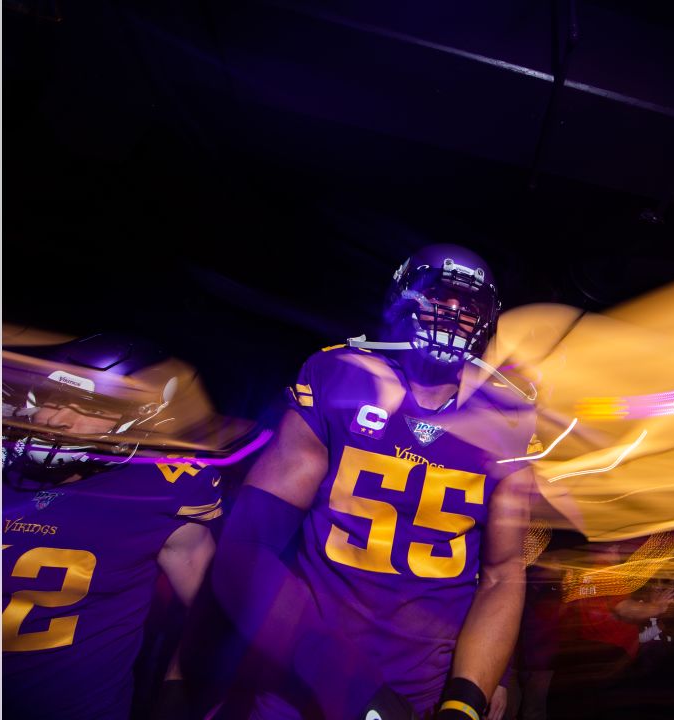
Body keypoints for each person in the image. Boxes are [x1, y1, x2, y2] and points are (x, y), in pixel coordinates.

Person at [213, 244, 539, 720]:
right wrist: (348, 685)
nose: (452, 314)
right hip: (305, 673)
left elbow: (502, 574)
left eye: (468, 306)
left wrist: (469, 695)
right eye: (439, 296)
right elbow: (248, 547)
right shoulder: (340, 375)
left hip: (425, 686)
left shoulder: (508, 415)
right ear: (402, 298)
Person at [2, 333, 224, 719]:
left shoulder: (162, 490)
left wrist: (176, 696)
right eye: (52, 400)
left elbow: (211, 616)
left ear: (141, 419)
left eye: (90, 407)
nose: (57, 420)